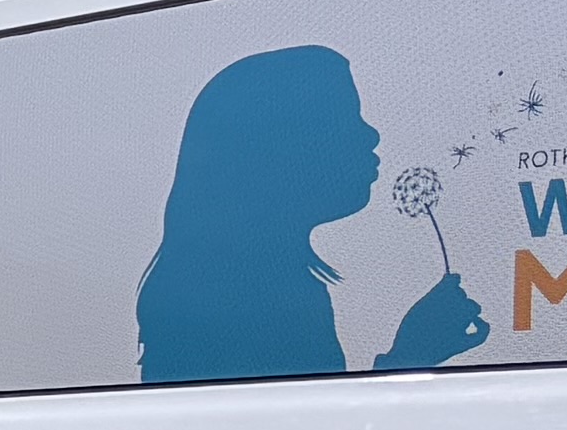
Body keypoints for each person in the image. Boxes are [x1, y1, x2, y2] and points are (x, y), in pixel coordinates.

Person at [134, 43, 488, 384]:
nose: (372, 134)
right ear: (276, 153)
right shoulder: (253, 296)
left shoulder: (248, 280)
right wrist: (413, 353)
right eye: (342, 120)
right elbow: (314, 422)